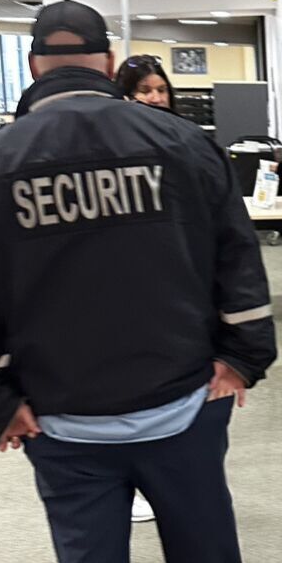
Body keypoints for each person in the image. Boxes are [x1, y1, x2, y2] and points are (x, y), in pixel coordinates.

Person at [0, 0, 274, 563]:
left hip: (60, 419)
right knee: (201, 530)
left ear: (36, 64)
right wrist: (243, 357)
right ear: (110, 63)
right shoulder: (180, 142)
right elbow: (235, 256)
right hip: (180, 401)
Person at [115, 54, 178, 524]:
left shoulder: (184, 145)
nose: (156, 98)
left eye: (161, 90)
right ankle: (134, 486)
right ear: (127, 96)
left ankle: (165, 479)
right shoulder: (117, 147)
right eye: (146, 91)